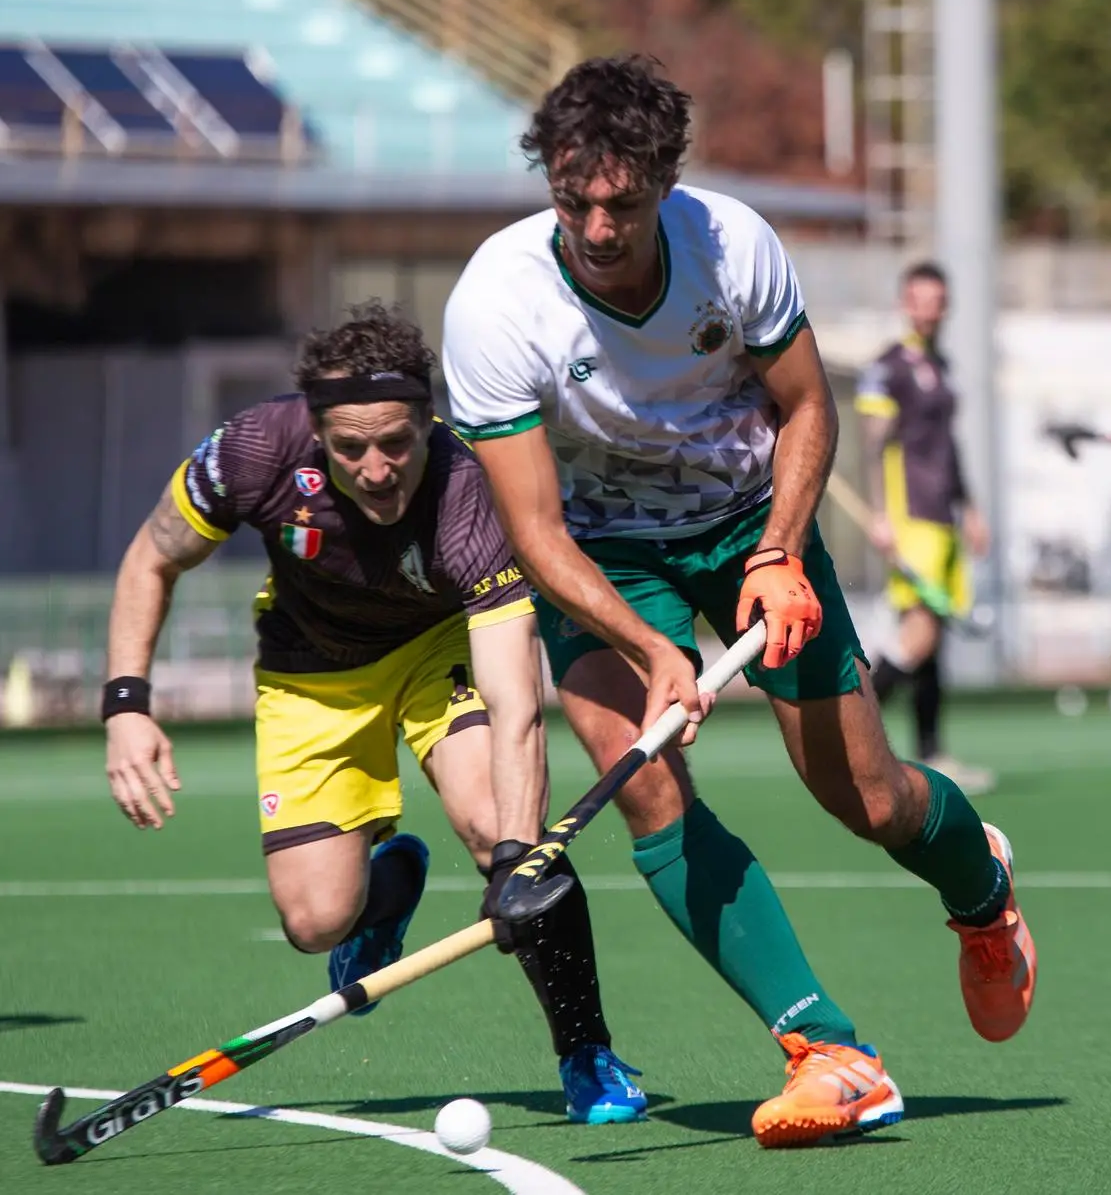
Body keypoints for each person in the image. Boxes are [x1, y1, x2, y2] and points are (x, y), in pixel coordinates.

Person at [442, 56, 1037, 1149]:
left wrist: (776, 552)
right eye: (573, 200)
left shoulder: (734, 247)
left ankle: (980, 886)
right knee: (647, 791)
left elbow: (808, 408)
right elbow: (534, 532)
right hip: (602, 554)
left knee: (865, 796)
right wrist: (647, 649)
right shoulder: (495, 303)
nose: (597, 226)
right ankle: (830, 1052)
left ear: (666, 182)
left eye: (622, 202)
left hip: (746, 526)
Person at [100, 306, 646, 1124]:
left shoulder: (469, 494)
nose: (377, 467)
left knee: (510, 833)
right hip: (309, 673)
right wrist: (125, 704)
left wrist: (511, 859)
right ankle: (385, 895)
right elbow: (151, 556)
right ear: (316, 431)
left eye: (396, 441)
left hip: (435, 653)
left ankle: (586, 1053)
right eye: (350, 446)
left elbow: (513, 702)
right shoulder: (252, 453)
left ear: (428, 420)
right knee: (316, 921)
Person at [854, 261, 997, 795]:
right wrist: (879, 514)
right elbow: (873, 443)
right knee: (919, 635)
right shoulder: (889, 367)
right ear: (904, 304)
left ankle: (932, 753)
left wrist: (972, 507)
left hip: (943, 517)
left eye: (938, 300)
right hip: (909, 516)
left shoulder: (943, 365)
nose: (929, 309)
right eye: (920, 299)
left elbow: (949, 446)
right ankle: (849, 730)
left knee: (932, 644)